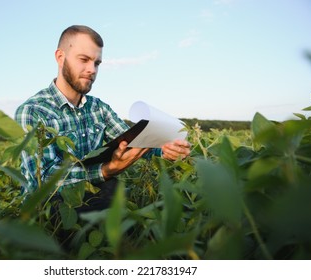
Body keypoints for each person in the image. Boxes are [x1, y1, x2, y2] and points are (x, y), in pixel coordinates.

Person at [15, 25, 191, 212]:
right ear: (60, 57)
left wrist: (164, 149)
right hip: (49, 206)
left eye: (97, 63)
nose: (92, 70)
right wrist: (106, 170)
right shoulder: (32, 111)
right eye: (84, 60)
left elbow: (130, 140)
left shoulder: (99, 108)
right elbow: (41, 180)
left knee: (119, 194)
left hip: (94, 191)